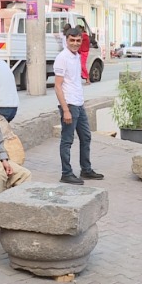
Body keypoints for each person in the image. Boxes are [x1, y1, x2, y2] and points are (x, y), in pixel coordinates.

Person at [54, 28, 104, 185]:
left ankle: (86, 170)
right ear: (66, 40)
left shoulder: (76, 56)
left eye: (78, 41)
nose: (75, 43)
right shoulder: (62, 58)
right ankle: (66, 173)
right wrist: (66, 110)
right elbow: (57, 86)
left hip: (79, 103)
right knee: (67, 140)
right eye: (72, 40)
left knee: (86, 137)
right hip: (69, 105)